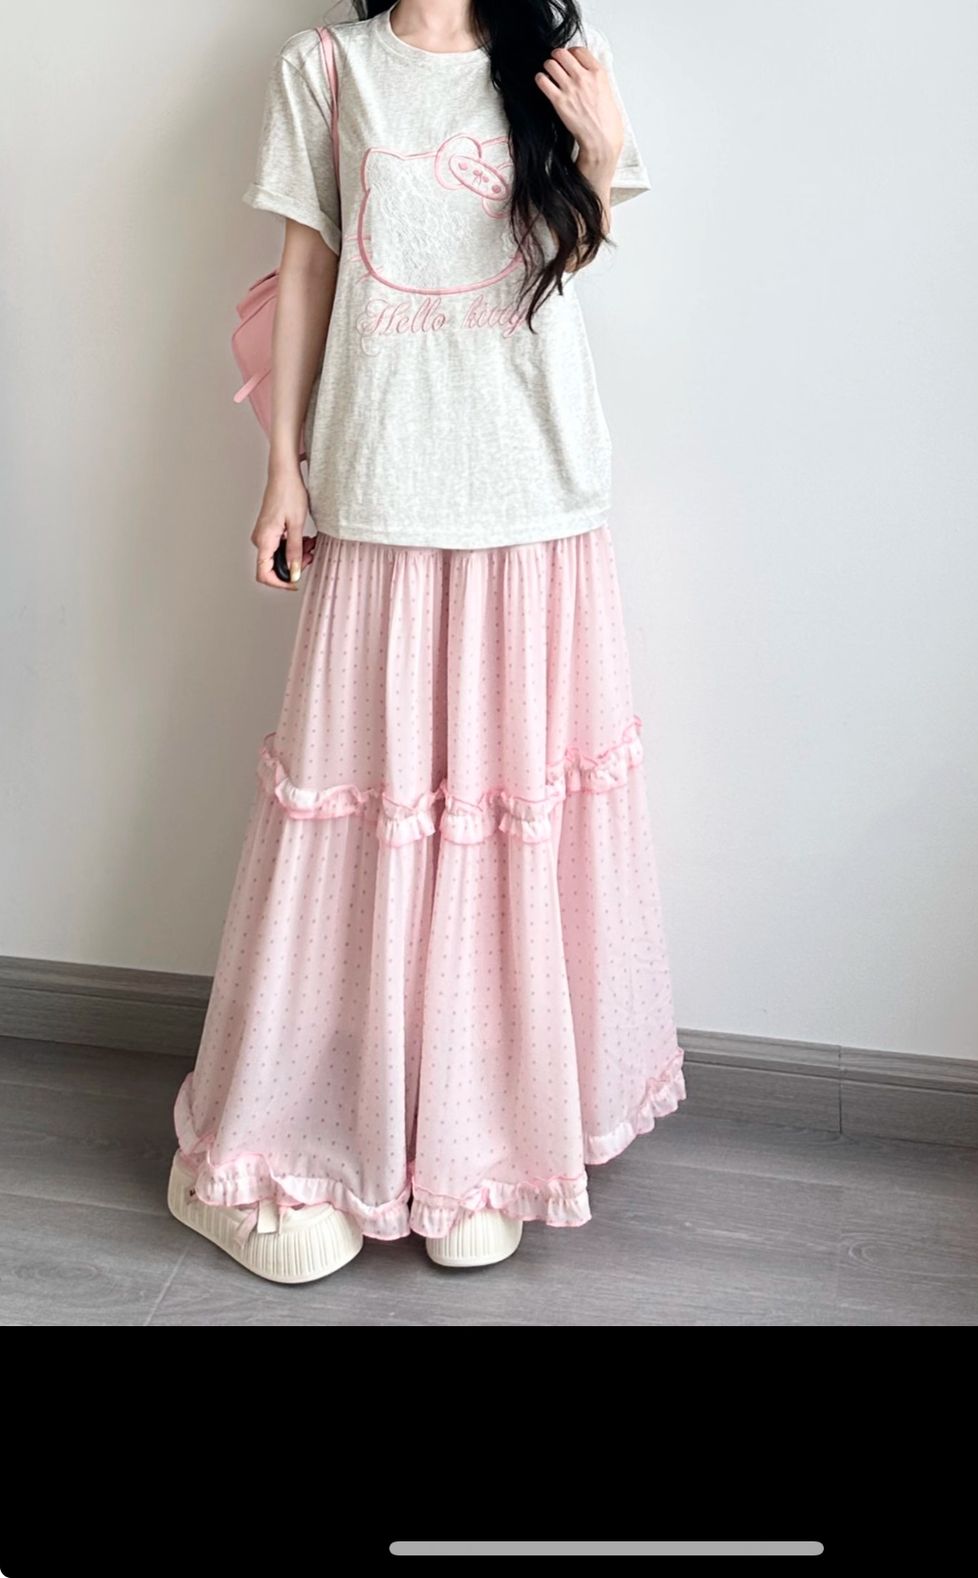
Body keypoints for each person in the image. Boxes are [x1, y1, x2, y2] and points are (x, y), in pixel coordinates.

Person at [169, 0, 682, 1282]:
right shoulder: (327, 71)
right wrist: (283, 470)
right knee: (370, 816)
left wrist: (602, 148)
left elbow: (574, 254)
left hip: (533, 486)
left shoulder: (559, 65)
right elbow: (307, 270)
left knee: (504, 820)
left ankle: (478, 1137)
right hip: (382, 482)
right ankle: (277, 1140)